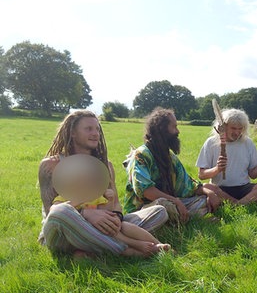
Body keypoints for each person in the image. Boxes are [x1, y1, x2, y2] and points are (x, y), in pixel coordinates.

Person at [38, 110, 168, 257]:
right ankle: (125, 250)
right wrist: (86, 214)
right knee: (60, 211)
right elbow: (51, 211)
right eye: (88, 129)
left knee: (159, 211)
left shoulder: (105, 166)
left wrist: (116, 220)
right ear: (72, 133)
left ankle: (92, 251)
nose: (95, 133)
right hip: (63, 232)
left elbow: (116, 206)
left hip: (100, 227)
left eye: (97, 129)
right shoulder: (51, 165)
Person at [123, 107, 222, 223]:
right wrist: (175, 201)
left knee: (205, 199)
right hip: (144, 210)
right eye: (174, 127)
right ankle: (192, 219)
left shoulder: (169, 156)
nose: (178, 131)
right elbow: (146, 191)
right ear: (162, 129)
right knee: (162, 208)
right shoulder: (141, 155)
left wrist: (209, 193)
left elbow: (188, 185)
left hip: (171, 203)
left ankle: (183, 219)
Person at [196, 108, 257, 205]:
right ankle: (245, 202)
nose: (237, 132)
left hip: (244, 188)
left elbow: (253, 175)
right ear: (224, 127)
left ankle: (238, 204)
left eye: (240, 128)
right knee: (207, 187)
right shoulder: (211, 143)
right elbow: (202, 175)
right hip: (219, 189)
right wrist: (217, 169)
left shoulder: (247, 142)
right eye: (233, 128)